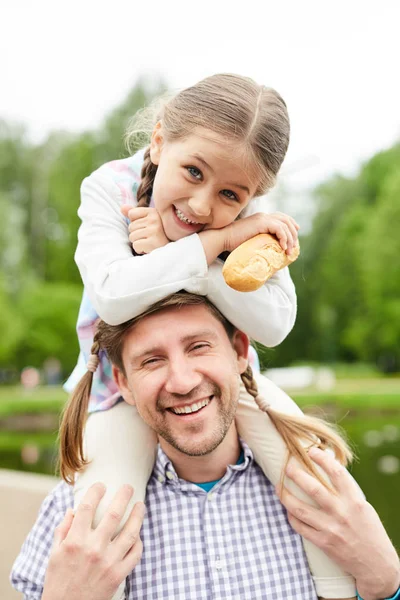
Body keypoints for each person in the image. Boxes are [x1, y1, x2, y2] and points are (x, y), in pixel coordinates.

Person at [61, 73, 353, 598]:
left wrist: (207, 258)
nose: (199, 205)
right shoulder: (109, 189)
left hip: (229, 383)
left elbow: (275, 323)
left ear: (254, 194)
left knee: (315, 472)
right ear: (158, 141)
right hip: (118, 391)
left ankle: (341, 590)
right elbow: (111, 292)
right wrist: (218, 240)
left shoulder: (256, 226)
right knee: (105, 510)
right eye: (192, 171)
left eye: (230, 195)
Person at [11, 293, 400, 599]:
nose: (181, 381)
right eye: (151, 360)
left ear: (239, 352)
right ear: (123, 382)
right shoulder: (77, 513)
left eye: (198, 347)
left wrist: (387, 585)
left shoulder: (321, 494)